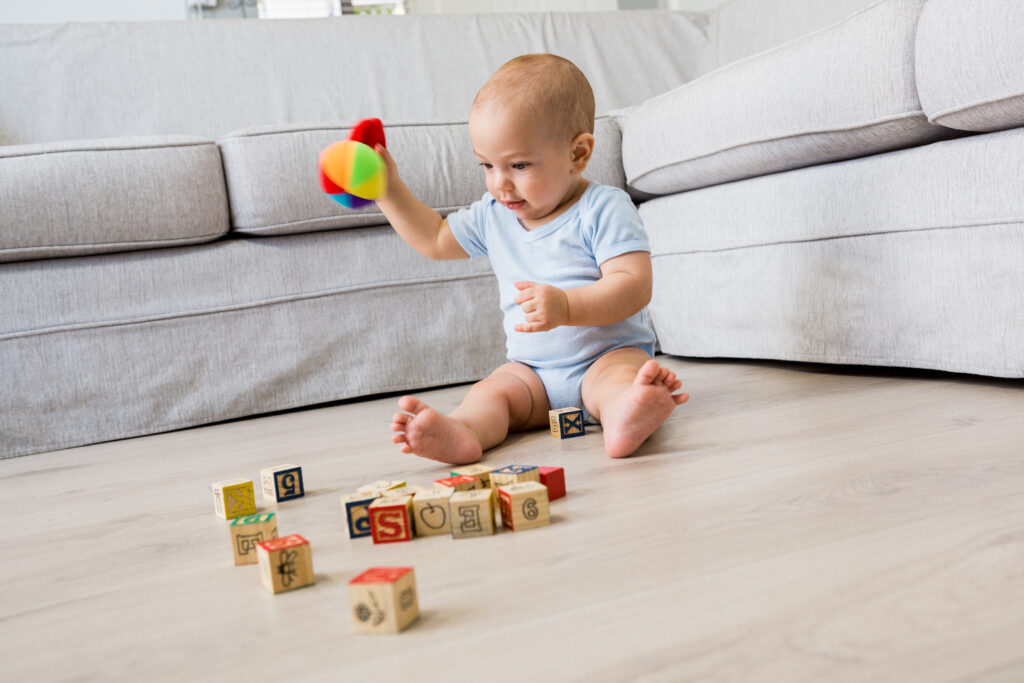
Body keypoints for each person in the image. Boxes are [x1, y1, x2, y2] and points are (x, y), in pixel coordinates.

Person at [374, 53, 688, 465]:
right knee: (492, 393)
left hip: (607, 357)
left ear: (578, 154)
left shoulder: (603, 208)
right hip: (532, 373)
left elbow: (634, 285)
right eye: (487, 165)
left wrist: (567, 305)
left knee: (618, 383)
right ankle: (464, 431)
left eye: (519, 165)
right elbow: (435, 238)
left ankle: (626, 415)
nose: (500, 184)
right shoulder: (493, 215)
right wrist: (387, 191)